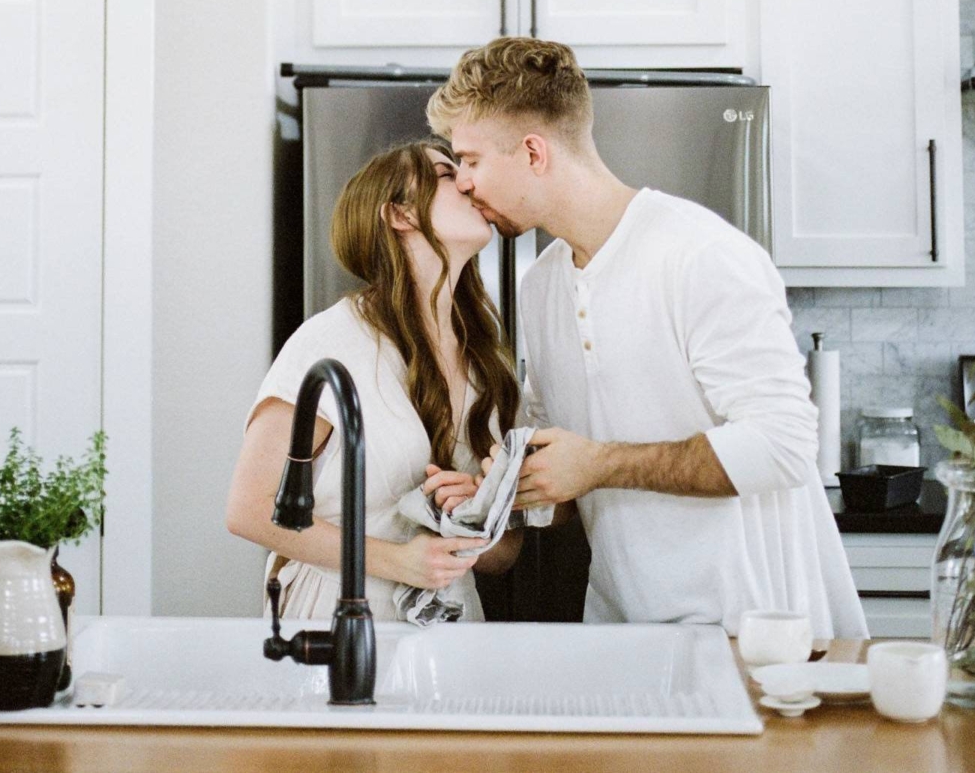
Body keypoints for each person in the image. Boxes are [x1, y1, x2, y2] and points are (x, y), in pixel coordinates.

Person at [426, 37, 867, 638]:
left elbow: (785, 447)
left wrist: (600, 465)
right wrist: (500, 491)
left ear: (533, 152)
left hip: (758, 630)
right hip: (627, 625)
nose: (465, 184)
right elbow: (567, 481)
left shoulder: (700, 256)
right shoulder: (543, 286)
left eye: (471, 160)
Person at [226, 139, 524, 621]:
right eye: (447, 175)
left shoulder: (489, 359)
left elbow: (506, 554)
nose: (469, 182)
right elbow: (249, 508)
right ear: (400, 215)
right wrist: (398, 561)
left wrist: (472, 512)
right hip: (338, 621)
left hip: (453, 628)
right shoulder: (331, 341)